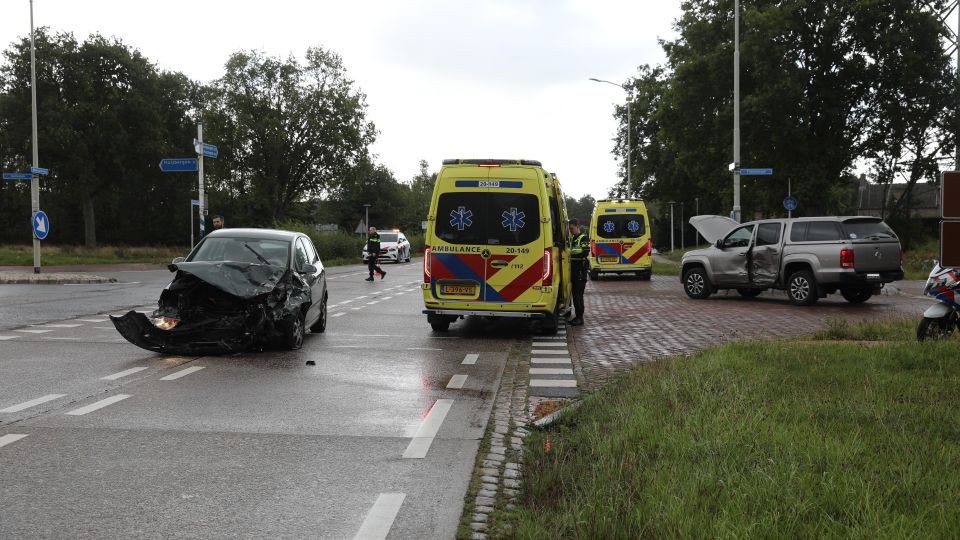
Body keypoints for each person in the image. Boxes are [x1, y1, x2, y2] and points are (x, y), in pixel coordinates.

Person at [567, 218, 589, 326]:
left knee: (578, 295)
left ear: (577, 226)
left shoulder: (583, 238)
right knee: (575, 294)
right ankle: (577, 317)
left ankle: (580, 318)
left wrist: (570, 256)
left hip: (580, 270)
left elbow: (585, 253)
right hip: (574, 270)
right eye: (569, 229)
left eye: (572, 228)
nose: (571, 231)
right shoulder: (572, 239)